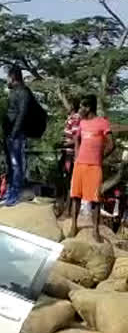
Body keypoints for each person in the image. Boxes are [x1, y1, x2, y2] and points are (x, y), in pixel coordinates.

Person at [68, 94, 114, 243]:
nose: (80, 109)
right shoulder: (81, 123)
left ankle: (95, 230)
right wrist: (76, 155)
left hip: (94, 167)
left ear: (89, 107)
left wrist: (101, 157)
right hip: (80, 165)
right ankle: (73, 226)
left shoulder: (103, 123)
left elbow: (111, 144)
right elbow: (76, 139)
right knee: (75, 196)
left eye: (82, 106)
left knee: (95, 199)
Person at [0, 66, 31, 207]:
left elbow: (22, 114)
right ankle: (9, 191)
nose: (7, 80)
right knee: (10, 165)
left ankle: (15, 193)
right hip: (9, 133)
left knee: (17, 164)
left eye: (8, 78)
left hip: (16, 135)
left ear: (13, 77)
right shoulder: (13, 92)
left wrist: (14, 132)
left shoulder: (23, 93)